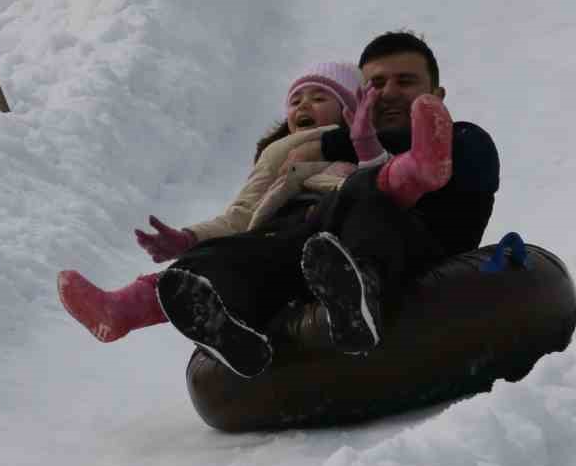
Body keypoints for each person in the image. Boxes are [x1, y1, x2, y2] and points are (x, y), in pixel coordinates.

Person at [157, 31, 500, 378]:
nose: (389, 93)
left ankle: (361, 289)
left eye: (406, 81)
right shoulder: (343, 153)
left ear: (435, 95)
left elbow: (446, 184)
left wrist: (331, 144)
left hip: (413, 254)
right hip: (323, 258)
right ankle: (234, 330)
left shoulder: (466, 139)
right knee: (215, 255)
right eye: (377, 84)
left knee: (365, 189)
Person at [56, 61, 364, 342]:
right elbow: (240, 215)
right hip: (279, 237)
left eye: (320, 98)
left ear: (349, 108)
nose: (304, 106)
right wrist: (190, 238)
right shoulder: (278, 152)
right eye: (296, 101)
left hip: (337, 223)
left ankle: (350, 295)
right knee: (213, 257)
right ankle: (125, 309)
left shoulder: (367, 139)